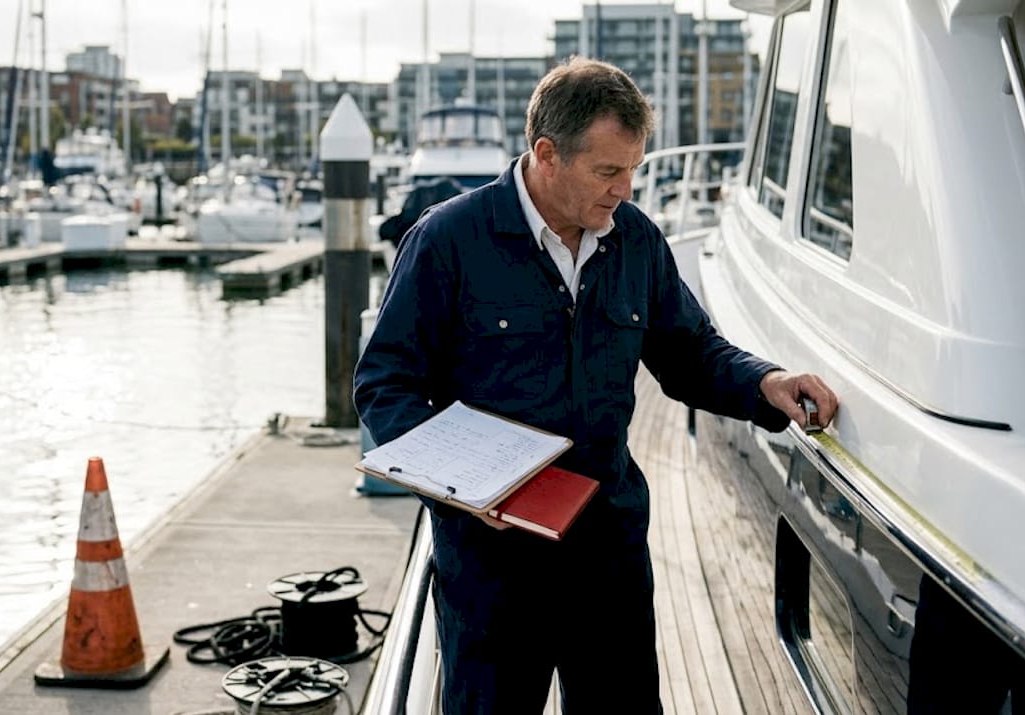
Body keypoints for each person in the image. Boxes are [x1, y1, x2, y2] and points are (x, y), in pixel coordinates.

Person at [353, 57, 839, 714]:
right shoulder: (447, 240)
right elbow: (386, 386)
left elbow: (689, 350)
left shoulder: (634, 240)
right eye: (609, 171)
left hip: (607, 549)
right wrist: (458, 485)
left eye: (634, 169)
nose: (626, 189)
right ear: (547, 154)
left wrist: (767, 382)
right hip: (492, 565)